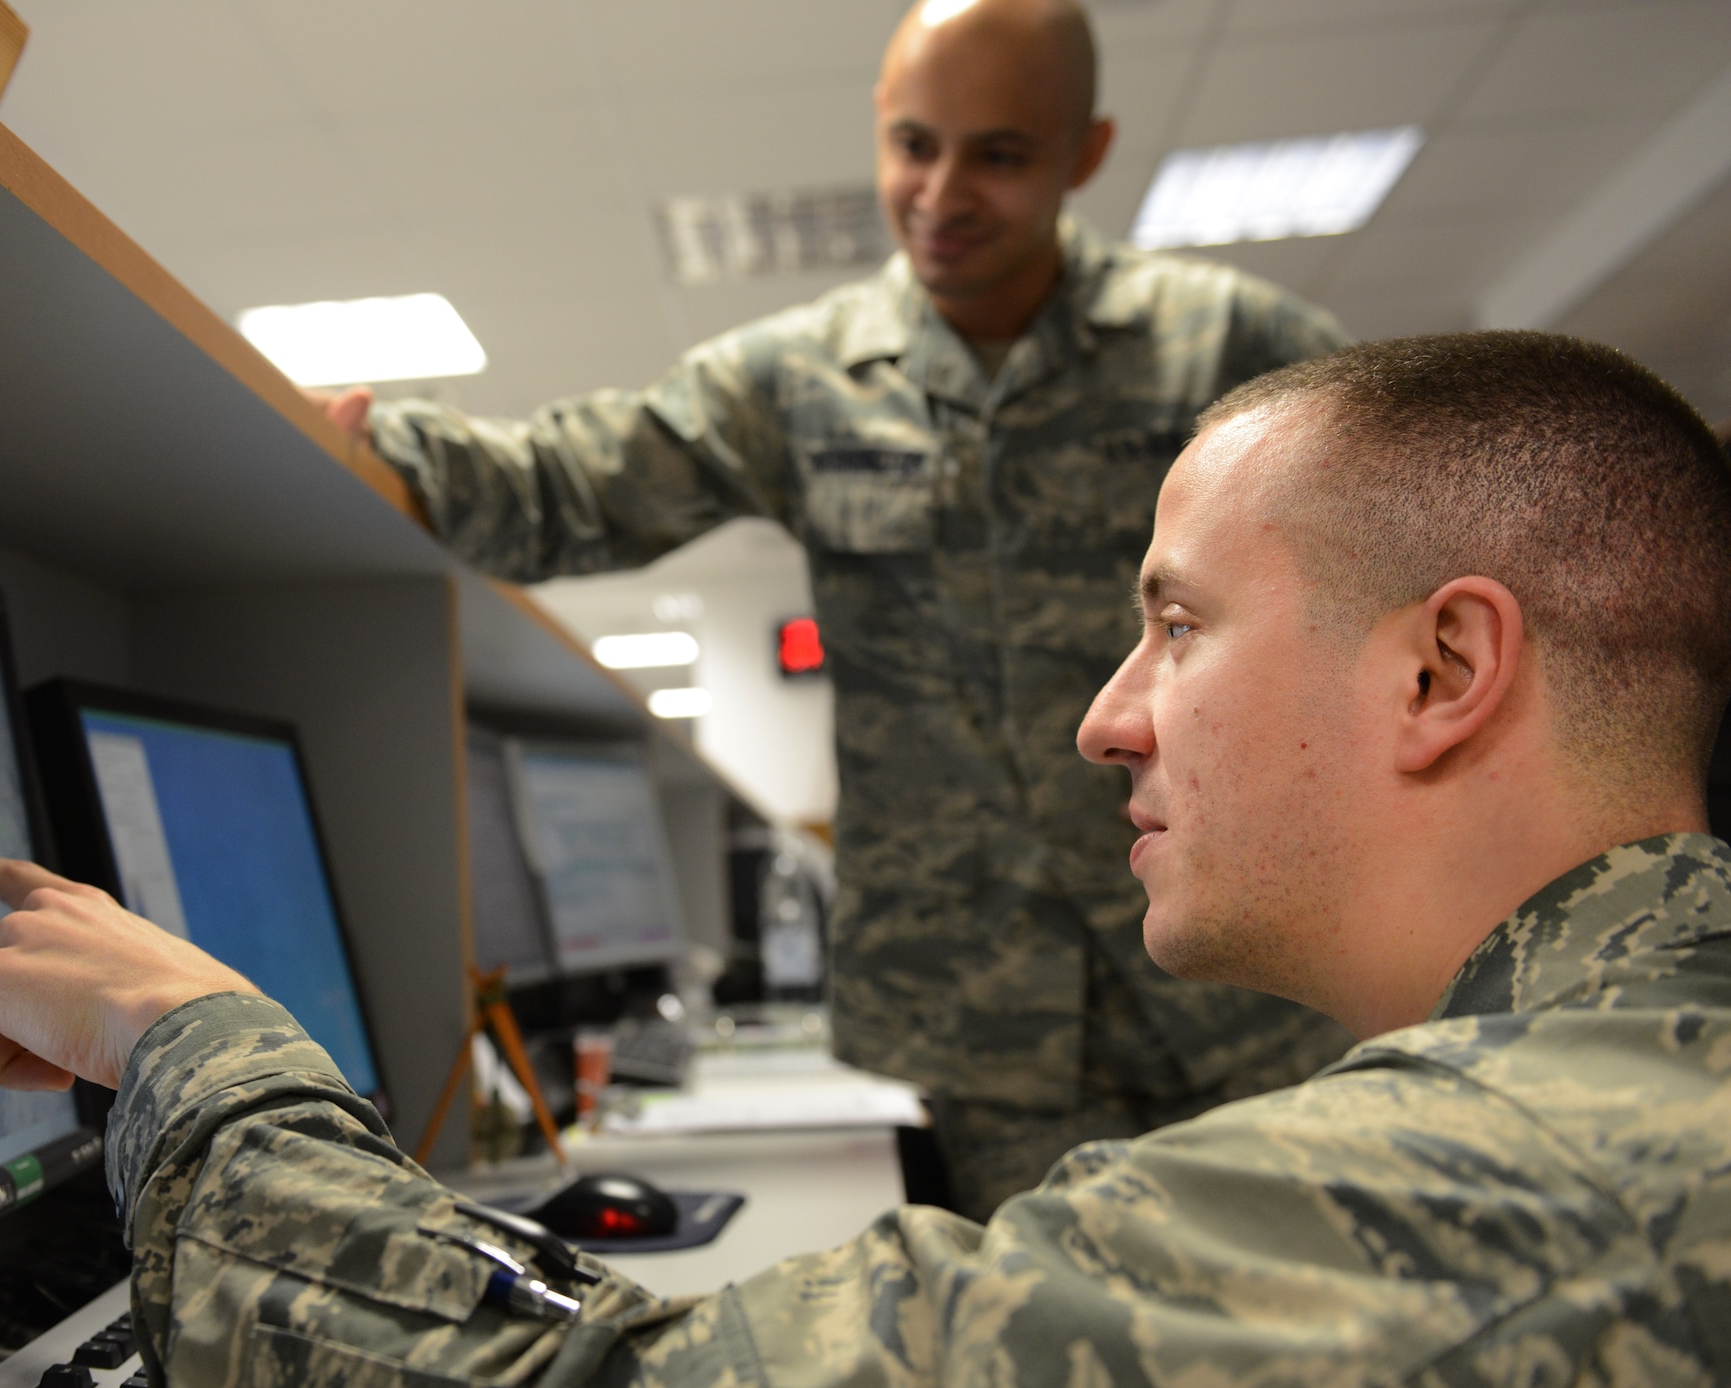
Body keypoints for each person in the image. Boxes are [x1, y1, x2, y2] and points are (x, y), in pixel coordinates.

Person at [0, 330, 1731, 1388]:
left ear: (1440, 669)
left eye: (1176, 622)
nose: (1108, 721)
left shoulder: (1509, 1185)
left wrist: (198, 1040)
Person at [312, 0, 1355, 1218]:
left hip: (1245, 976)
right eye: (914, 144)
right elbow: (566, 485)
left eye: (999, 154)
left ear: (1082, 152)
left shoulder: (1225, 347)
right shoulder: (799, 377)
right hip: (977, 1022)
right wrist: (368, 448)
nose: (942, 190)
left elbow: (1404, 562)